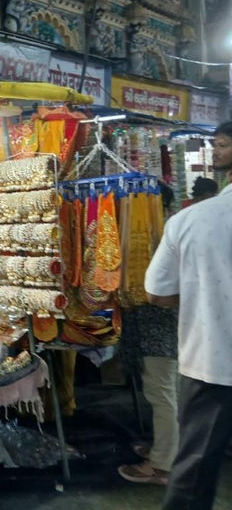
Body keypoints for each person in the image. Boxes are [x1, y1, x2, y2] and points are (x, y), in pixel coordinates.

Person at [145, 121, 232, 509]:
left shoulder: (191, 220)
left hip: (212, 363)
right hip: (210, 364)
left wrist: (203, 294)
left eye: (221, 144)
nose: (216, 151)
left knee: (195, 472)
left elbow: (157, 293)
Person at [118, 182, 178, 486]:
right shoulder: (165, 232)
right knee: (166, 392)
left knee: (162, 393)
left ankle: (163, 466)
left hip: (162, 329)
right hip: (161, 328)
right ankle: (165, 450)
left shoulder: (164, 235)